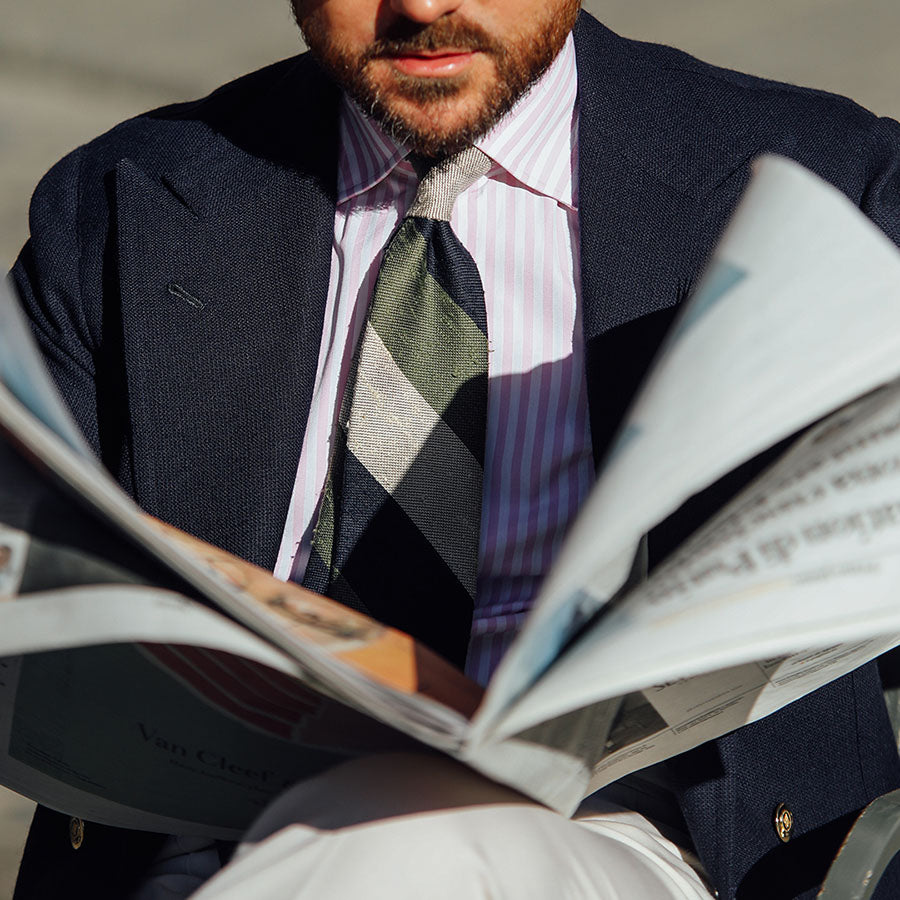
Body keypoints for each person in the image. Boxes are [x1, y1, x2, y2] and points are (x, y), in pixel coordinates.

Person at [9, 0, 900, 897]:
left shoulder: (829, 182)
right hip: (208, 837)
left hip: (633, 835)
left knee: (412, 851)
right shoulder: (124, 203)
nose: (424, 6)